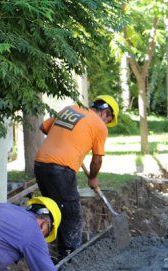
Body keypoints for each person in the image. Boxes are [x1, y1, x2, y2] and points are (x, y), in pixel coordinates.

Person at [34, 95, 119, 257]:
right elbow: (97, 159)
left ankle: (51, 250)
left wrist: (68, 139)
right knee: (72, 214)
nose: (106, 124)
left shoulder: (70, 109)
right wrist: (93, 178)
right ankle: (70, 256)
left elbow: (44, 127)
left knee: (55, 209)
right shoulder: (99, 125)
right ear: (106, 113)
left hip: (40, 164)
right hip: (60, 169)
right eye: (108, 120)